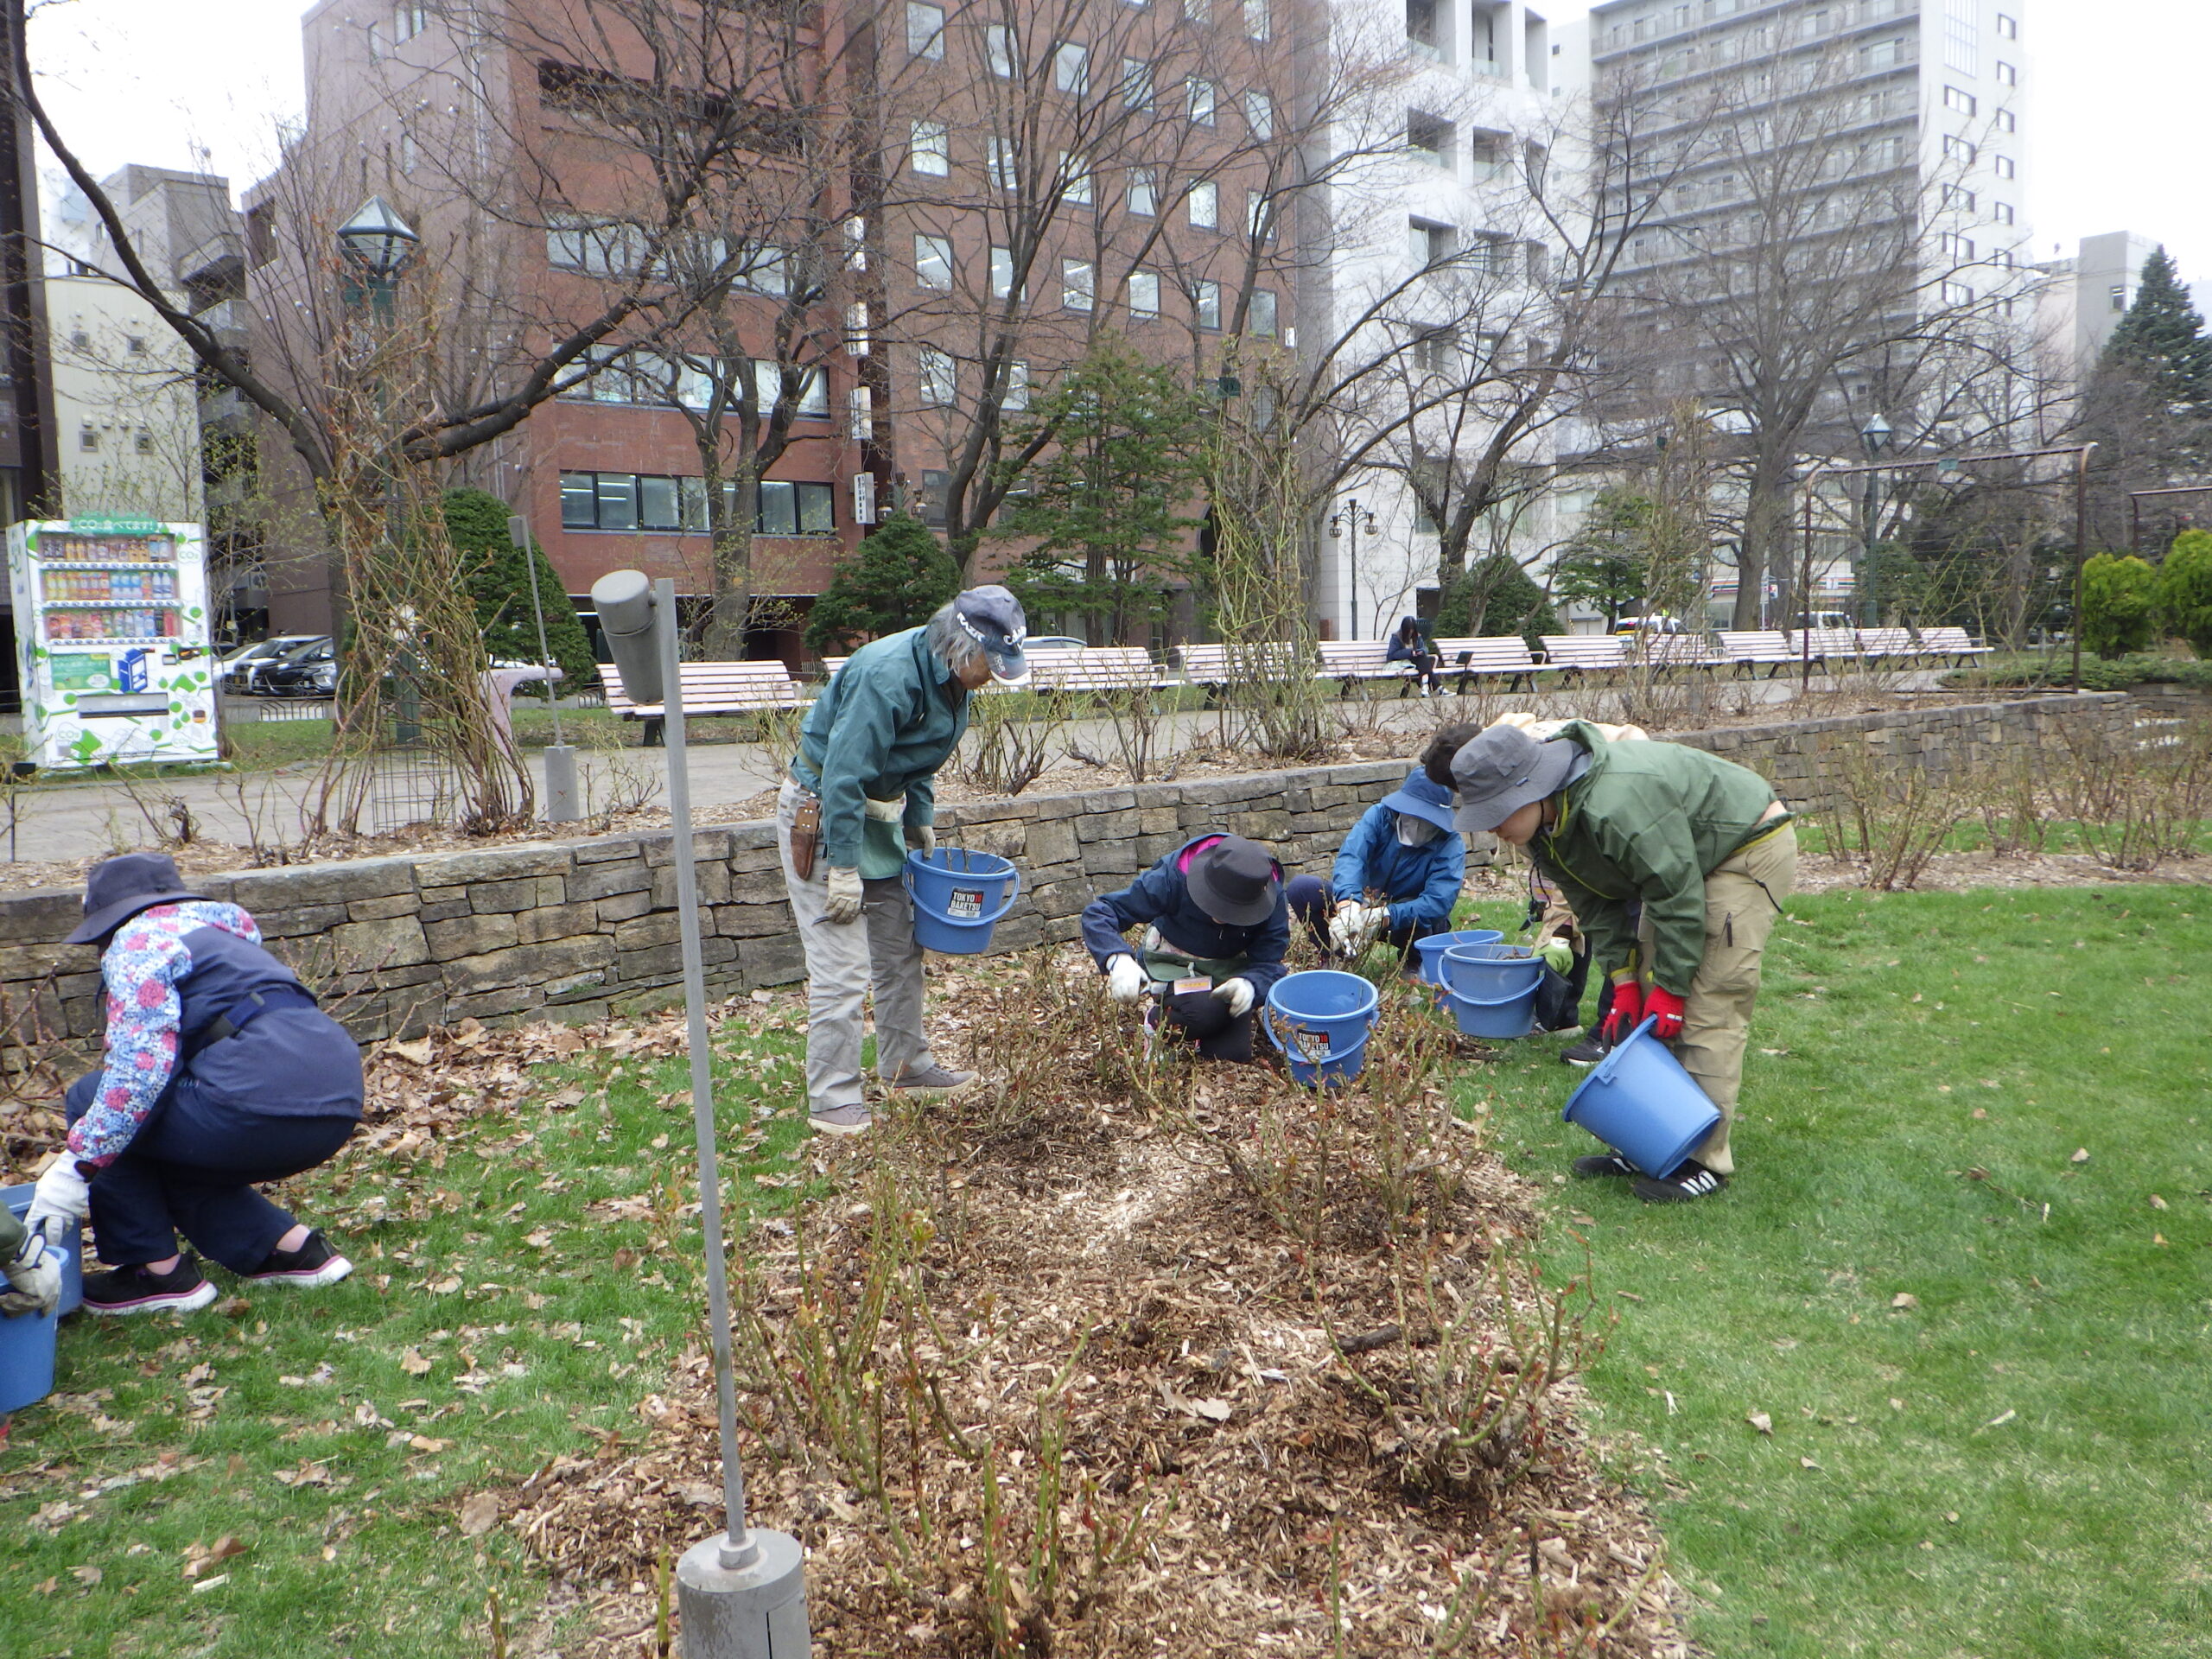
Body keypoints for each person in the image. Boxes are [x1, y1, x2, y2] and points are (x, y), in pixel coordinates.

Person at [1431, 721, 1796, 1203]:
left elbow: (1675, 893)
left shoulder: (1614, 803)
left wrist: (1673, 989)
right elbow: (1593, 904)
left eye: (1496, 811)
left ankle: (1701, 1160)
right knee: (1645, 999)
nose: (1490, 827)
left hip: (1744, 845)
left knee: (1708, 1004)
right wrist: (1625, 982)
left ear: (1530, 789)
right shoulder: (1547, 828)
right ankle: (1651, 1142)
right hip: (1681, 865)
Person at [23, 853, 364, 1314]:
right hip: (338, 1104)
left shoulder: (138, 943)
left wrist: (77, 1167)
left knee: (93, 1097)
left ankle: (156, 1273)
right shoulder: (222, 936)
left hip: (256, 1109)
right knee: (169, 1143)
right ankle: (291, 1249)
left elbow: (138, 1072)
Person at [779, 587, 1031, 1135]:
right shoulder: (887, 675)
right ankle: (831, 1097)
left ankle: (906, 1068)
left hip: (879, 815)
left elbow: (917, 755)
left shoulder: (954, 679)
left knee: (899, 951)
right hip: (825, 814)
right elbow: (843, 774)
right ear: (962, 647)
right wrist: (844, 867)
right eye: (990, 664)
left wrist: (920, 817)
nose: (993, 677)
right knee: (843, 966)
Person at [1084, 833, 1288, 1063]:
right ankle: (1157, 1023)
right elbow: (1101, 912)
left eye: (1235, 912)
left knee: (1232, 1055)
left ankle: (1201, 1029)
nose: (1221, 918)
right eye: (1216, 904)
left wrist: (1250, 984)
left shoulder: (1270, 895)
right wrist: (1118, 959)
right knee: (1202, 1012)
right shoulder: (1172, 877)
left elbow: (1270, 961)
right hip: (1174, 965)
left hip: (1229, 973)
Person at [1285, 768, 1465, 972]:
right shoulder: (1380, 816)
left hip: (1406, 919)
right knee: (1302, 888)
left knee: (1430, 919)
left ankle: (1414, 964)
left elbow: (1438, 901)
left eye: (1427, 820)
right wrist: (1349, 906)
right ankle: (1337, 954)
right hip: (1363, 903)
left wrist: (1384, 915)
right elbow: (1352, 857)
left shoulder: (1450, 842)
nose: (1417, 824)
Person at [1387, 615, 1440, 696]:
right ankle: (1436, 687)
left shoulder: (1417, 636)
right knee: (1423, 661)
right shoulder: (1396, 637)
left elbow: (1424, 648)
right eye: (1409, 631)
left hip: (1416, 662)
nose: (1411, 632)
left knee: (1422, 658)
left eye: (1412, 630)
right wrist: (1410, 652)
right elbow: (1392, 654)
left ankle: (1427, 686)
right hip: (1402, 663)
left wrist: (1421, 651)